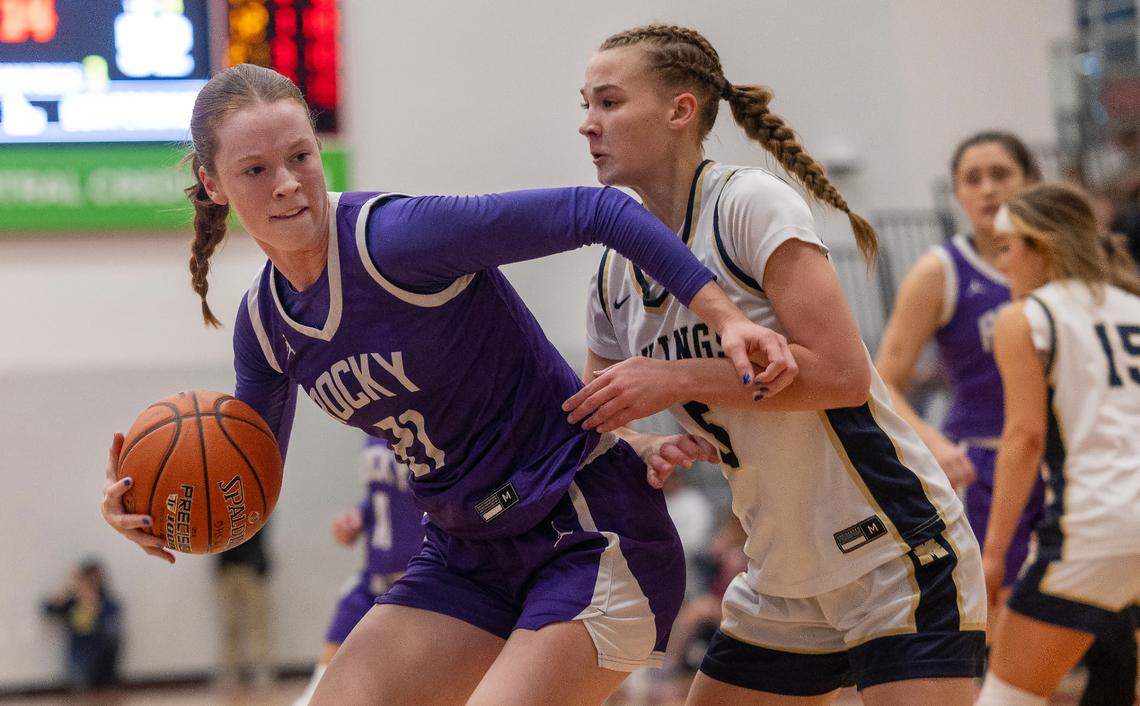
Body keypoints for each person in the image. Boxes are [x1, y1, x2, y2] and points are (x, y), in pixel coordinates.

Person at [98, 63, 794, 706]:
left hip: (586, 527)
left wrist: (727, 316)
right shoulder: (264, 325)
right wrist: (161, 512)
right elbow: (245, 485)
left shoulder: (395, 240)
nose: (286, 182)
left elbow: (599, 210)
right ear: (213, 183)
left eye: (300, 157)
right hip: (466, 553)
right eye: (255, 169)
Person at [567, 24, 986, 704]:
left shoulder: (746, 204)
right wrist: (645, 442)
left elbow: (842, 375)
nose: (588, 125)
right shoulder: (614, 273)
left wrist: (672, 379)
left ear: (681, 110)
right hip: (782, 576)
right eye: (584, 105)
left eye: (609, 103)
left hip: (891, 549)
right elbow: (598, 410)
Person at [977, 182, 1140, 705]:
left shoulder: (1026, 317)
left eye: (1006, 248)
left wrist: (995, 554)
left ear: (1042, 245)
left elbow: (1024, 439)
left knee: (1007, 699)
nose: (1001, 265)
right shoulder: (1134, 304)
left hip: (1096, 528)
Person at [293, 436, 424, 706]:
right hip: (375, 578)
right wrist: (360, 517)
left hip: (422, 583)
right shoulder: (371, 425)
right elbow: (384, 494)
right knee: (316, 694)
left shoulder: (431, 415)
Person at [42, 559, 122, 690]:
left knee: (112, 632)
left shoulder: (105, 600)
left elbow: (111, 617)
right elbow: (48, 610)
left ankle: (103, 680)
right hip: (79, 651)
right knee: (80, 682)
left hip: (100, 651)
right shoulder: (72, 601)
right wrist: (66, 591)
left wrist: (92, 599)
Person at [214, 521, 273, 688]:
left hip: (253, 567)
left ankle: (262, 669)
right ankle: (230, 671)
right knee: (229, 624)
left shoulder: (260, 501)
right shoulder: (216, 504)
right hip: (227, 568)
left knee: (258, 623)